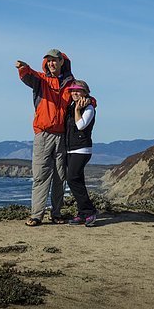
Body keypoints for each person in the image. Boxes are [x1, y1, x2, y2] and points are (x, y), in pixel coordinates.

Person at [15, 49, 74, 226]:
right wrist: (23, 68)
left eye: (54, 60)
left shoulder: (70, 83)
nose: (51, 63)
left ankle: (56, 213)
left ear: (62, 62)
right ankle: (36, 215)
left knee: (60, 177)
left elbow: (84, 94)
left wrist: (91, 102)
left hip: (62, 136)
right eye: (48, 61)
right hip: (43, 134)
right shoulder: (40, 80)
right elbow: (28, 75)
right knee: (41, 176)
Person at [65, 80, 97, 227]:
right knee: (78, 181)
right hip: (71, 149)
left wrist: (78, 110)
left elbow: (81, 125)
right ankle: (82, 213)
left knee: (72, 179)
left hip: (82, 149)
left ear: (85, 92)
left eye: (78, 90)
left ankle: (89, 211)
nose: (74, 93)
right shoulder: (71, 106)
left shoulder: (88, 108)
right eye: (72, 91)